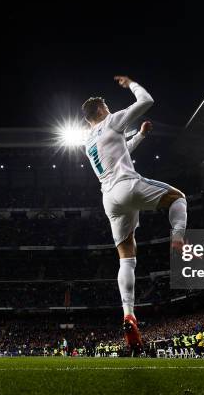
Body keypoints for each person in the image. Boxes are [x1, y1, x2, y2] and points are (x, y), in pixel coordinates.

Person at [82, 76, 188, 354]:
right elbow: (147, 101)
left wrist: (139, 135)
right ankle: (177, 237)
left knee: (127, 256)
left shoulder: (88, 142)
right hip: (127, 186)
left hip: (109, 199)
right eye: (106, 105)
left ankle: (128, 313)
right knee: (178, 198)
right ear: (102, 110)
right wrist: (131, 83)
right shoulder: (113, 120)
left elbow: (120, 151)